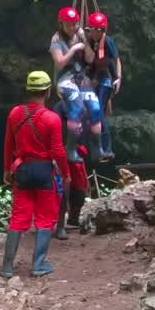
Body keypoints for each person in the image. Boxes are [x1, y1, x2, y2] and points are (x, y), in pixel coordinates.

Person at [0, 71, 70, 278]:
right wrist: (65, 173)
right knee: (45, 217)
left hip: (22, 170)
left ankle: (7, 267)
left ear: (28, 90)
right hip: (44, 172)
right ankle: (38, 265)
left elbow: (8, 145)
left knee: (19, 217)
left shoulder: (15, 114)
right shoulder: (52, 118)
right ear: (48, 92)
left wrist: (6, 169)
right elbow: (58, 150)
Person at [49, 6, 103, 162]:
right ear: (62, 24)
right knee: (77, 106)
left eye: (75, 23)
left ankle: (96, 148)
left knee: (95, 107)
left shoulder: (80, 33)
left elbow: (90, 60)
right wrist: (73, 49)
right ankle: (71, 150)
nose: (73, 27)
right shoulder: (56, 40)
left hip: (81, 78)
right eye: (69, 24)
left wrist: (86, 44)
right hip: (64, 80)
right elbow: (59, 64)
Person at [84, 11, 122, 161]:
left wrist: (118, 77)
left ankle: (106, 149)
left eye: (93, 29)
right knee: (91, 112)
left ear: (101, 30)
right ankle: (97, 148)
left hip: (105, 80)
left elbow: (117, 60)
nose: (91, 32)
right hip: (95, 79)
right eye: (90, 29)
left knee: (98, 112)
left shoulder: (108, 42)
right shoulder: (92, 40)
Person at [51, 99, 91, 240]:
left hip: (75, 153)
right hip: (60, 151)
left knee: (79, 190)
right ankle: (59, 226)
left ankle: (72, 219)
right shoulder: (60, 106)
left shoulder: (79, 106)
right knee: (63, 190)